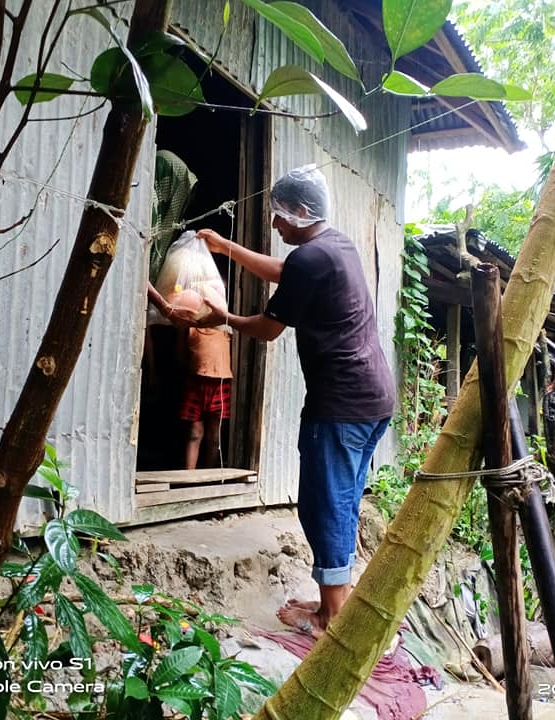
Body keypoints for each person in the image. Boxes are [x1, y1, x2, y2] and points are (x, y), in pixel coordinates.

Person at [191, 165, 396, 637]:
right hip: (371, 398)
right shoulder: (334, 246)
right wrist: (226, 249)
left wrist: (224, 317)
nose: (275, 224)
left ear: (304, 212)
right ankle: (335, 600)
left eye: (280, 215)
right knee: (340, 501)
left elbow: (266, 329)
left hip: (341, 404)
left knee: (323, 505)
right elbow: (286, 271)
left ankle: (329, 616)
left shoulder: (310, 258)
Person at [179, 323, 232, 469]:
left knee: (214, 437)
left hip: (220, 383)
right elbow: (181, 356)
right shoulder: (190, 328)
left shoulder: (226, 330)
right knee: (194, 433)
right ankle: (189, 477)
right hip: (195, 382)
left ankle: (208, 479)